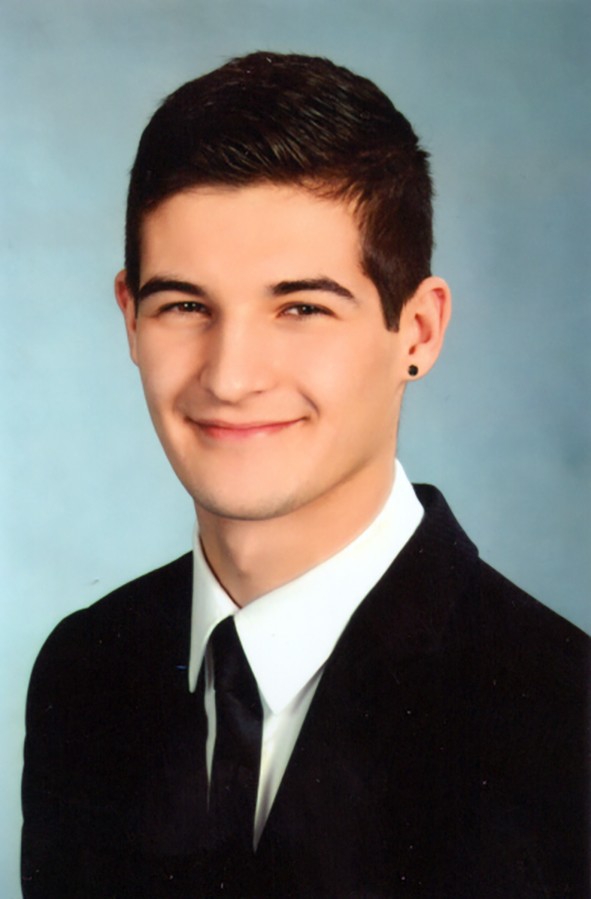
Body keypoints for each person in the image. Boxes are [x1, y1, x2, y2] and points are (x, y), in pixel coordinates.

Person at [21, 52, 589, 898]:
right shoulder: (86, 671)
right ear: (130, 320)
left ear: (418, 331)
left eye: (301, 307)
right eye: (185, 305)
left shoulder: (560, 717)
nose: (230, 376)